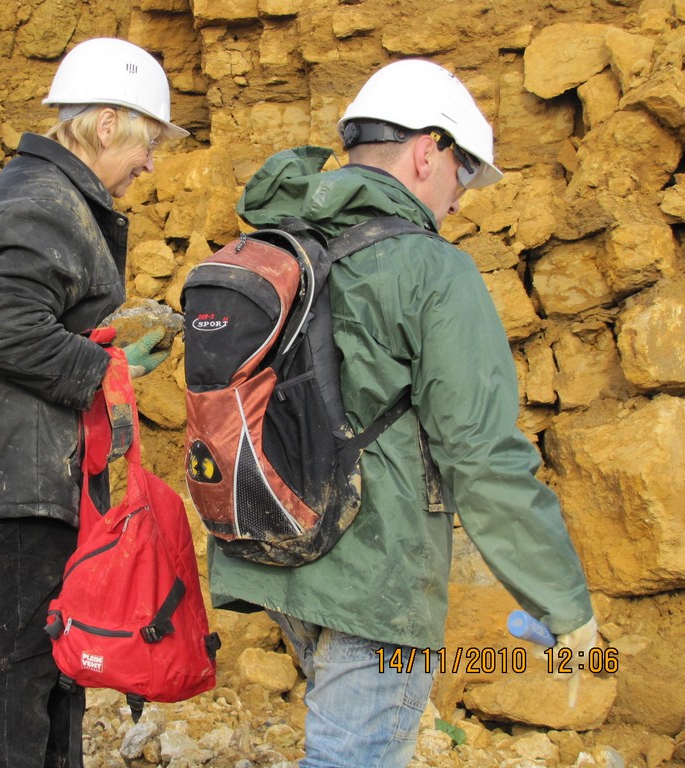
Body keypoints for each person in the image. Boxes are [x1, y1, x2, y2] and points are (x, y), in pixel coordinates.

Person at [206, 59, 597, 767]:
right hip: (373, 569)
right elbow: (480, 454)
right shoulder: (432, 269)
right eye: (464, 174)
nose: (460, 200)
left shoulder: (276, 242)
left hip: (272, 546)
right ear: (427, 150)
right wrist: (563, 604)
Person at [0, 37, 186, 768]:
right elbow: (7, 329)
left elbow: (28, 320)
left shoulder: (48, 195)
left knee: (54, 656)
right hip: (23, 476)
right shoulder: (43, 204)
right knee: (19, 660)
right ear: (106, 124)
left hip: (35, 468)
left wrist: (105, 355)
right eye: (147, 142)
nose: (149, 163)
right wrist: (104, 369)